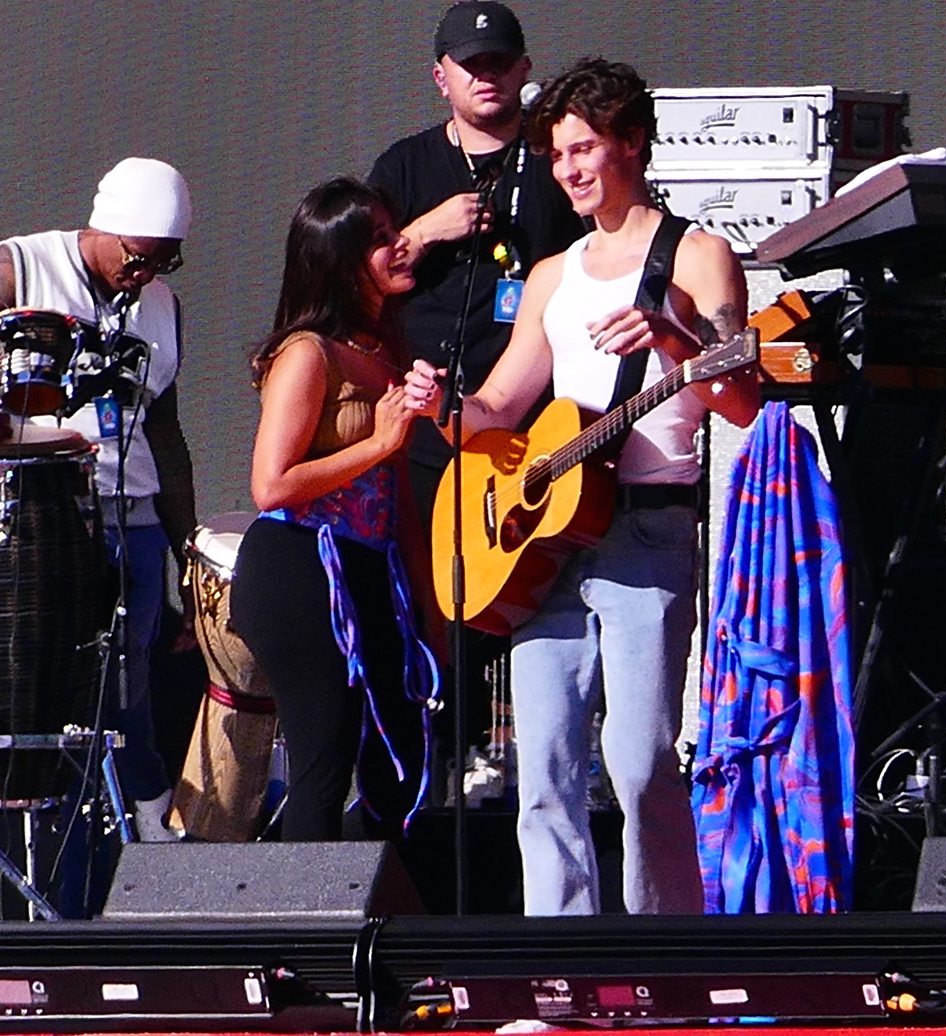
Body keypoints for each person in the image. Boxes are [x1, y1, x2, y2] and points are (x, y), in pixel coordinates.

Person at [404, 58, 760, 915]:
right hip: (541, 543)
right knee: (544, 772)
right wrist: (444, 407)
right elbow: (500, 404)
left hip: (646, 529)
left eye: (582, 149)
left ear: (631, 143)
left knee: (639, 766)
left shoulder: (698, 254)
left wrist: (673, 335)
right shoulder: (555, 273)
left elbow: (742, 397)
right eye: (559, 155)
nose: (567, 170)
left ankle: (663, 967)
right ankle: (556, 973)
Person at [368, 0, 583, 773]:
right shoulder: (406, 166)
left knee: (523, 597)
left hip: (527, 425)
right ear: (441, 77)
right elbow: (356, 274)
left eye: (501, 63)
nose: (486, 77)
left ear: (525, 70)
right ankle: (429, 763)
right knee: (431, 605)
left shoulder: (556, 162)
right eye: (471, 65)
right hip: (426, 424)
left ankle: (527, 761)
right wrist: (425, 230)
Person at [229, 178, 439, 842]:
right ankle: (298, 942)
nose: (401, 244)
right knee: (324, 757)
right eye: (379, 240)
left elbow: (398, 491)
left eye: (394, 229)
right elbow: (273, 484)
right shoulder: (307, 354)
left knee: (396, 761)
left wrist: (429, 610)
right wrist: (377, 441)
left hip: (371, 568)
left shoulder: (385, 354)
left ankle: (384, 930)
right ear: (342, 262)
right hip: (300, 565)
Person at [0, 157, 197, 842]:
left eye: (164, 264)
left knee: (127, 677)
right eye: (140, 259)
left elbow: (165, 433)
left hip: (130, 512)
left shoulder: (161, 306)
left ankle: (139, 807)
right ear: (105, 228)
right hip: (36, 510)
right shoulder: (20, 268)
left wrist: (188, 549)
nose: (146, 277)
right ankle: (37, 824)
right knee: (33, 671)